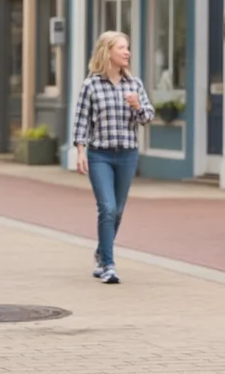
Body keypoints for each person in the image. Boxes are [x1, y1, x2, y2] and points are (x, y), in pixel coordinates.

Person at [72, 31, 155, 285]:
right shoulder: (91, 85)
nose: (127, 52)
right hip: (100, 156)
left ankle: (101, 252)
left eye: (127, 48)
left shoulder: (135, 84)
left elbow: (148, 117)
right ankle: (108, 264)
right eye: (122, 48)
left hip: (128, 154)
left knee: (117, 212)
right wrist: (80, 151)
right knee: (106, 208)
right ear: (107, 51)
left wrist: (137, 106)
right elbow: (81, 120)